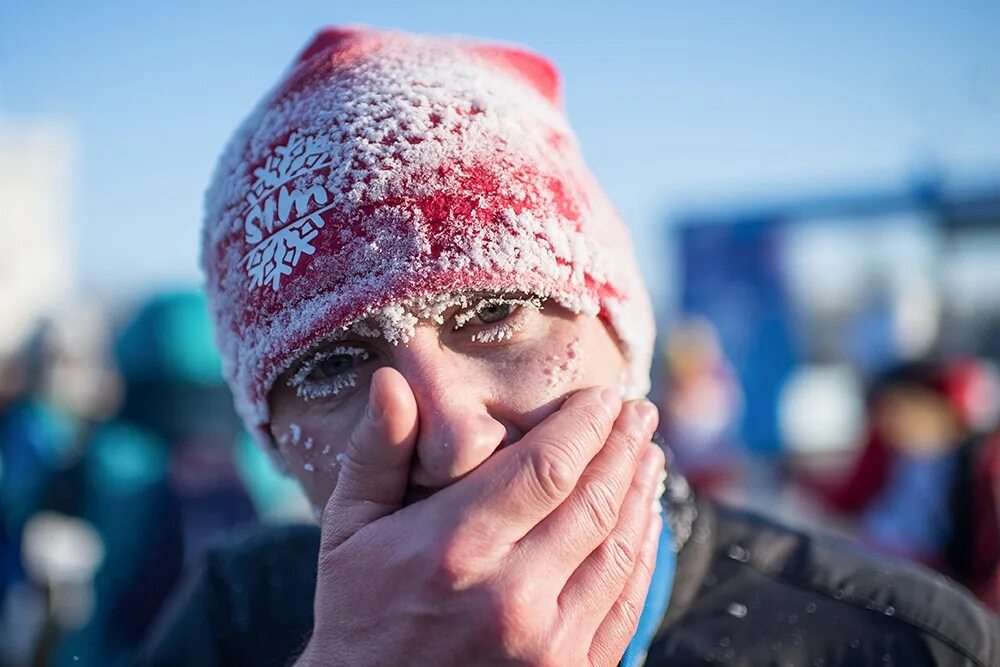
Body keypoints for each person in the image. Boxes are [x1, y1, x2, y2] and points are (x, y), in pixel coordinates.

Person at [138, 26, 999, 666]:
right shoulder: (236, 617)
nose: (452, 439)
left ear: (620, 339)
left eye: (498, 313)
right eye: (330, 365)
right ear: (273, 446)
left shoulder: (897, 644)